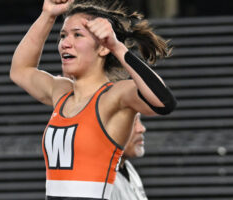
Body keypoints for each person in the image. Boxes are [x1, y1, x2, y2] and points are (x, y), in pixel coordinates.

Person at [10, 0, 176, 199]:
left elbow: (164, 102)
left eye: (77, 34)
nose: (65, 43)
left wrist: (116, 46)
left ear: (103, 48)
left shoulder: (115, 96)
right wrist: (48, 15)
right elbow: (21, 70)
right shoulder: (61, 92)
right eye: (63, 35)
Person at [111, 113, 148, 200]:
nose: (142, 128)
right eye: (132, 122)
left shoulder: (128, 168)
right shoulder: (98, 182)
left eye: (139, 120)